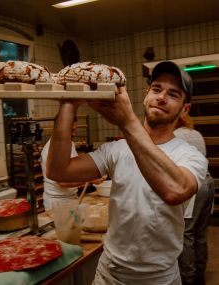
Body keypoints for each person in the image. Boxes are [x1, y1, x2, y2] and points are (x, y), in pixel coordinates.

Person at [46, 61, 208, 285]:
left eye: (173, 94)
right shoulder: (117, 150)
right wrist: (68, 105)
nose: (161, 97)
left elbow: (175, 190)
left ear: (185, 109)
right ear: (146, 94)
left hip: (159, 279)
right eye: (157, 89)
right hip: (109, 274)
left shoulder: (191, 156)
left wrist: (127, 121)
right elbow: (58, 170)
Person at [174, 127, 215, 285]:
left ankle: (188, 278)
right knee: (200, 232)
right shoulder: (195, 133)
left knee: (186, 232)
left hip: (195, 185)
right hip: (208, 181)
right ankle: (199, 274)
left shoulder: (176, 135)